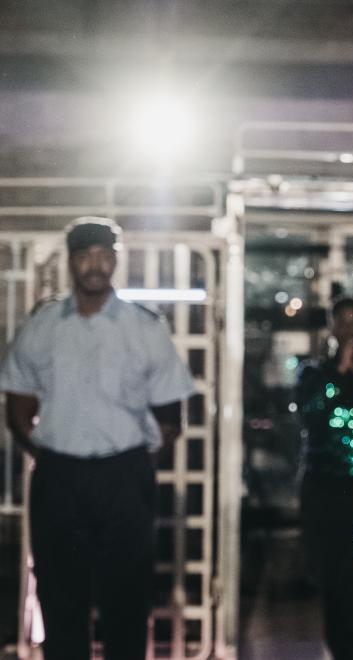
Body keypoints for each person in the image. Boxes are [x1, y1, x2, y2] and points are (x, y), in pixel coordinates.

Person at [0, 217, 195, 659]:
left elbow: (171, 414)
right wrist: (49, 455)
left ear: (116, 260)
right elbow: (16, 409)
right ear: (70, 261)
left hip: (124, 476)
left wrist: (132, 464)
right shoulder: (43, 326)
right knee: (60, 597)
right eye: (86, 255)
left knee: (127, 601)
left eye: (105, 256)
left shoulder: (144, 327)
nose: (96, 265)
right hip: (58, 478)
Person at [295, 297, 353, 660]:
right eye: (342, 323)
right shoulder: (313, 373)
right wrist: (338, 373)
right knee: (333, 574)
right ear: (332, 327)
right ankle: (341, 648)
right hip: (325, 488)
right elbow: (310, 415)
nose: (350, 330)